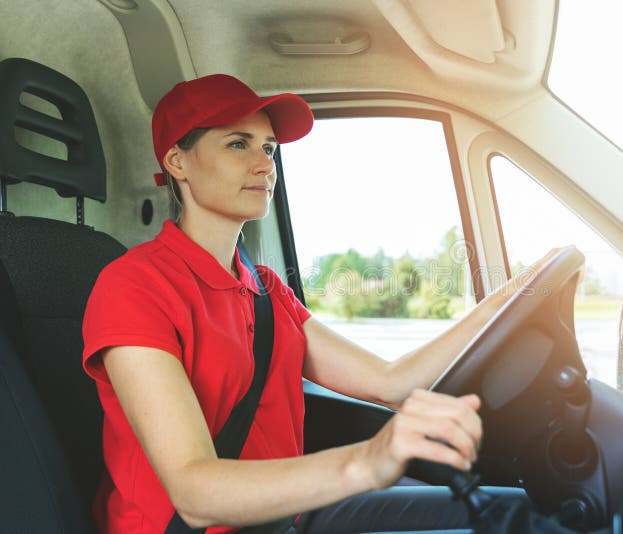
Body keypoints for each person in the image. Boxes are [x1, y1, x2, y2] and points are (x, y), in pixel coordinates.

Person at [82, 74, 538, 533]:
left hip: (287, 519)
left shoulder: (266, 289)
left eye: (269, 148)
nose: (265, 165)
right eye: (238, 144)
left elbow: (392, 382)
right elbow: (194, 493)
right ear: (178, 162)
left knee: (521, 515)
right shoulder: (133, 286)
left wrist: (513, 296)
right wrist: (366, 461)